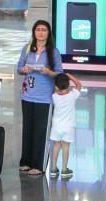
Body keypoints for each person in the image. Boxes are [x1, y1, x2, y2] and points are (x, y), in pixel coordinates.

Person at [16, 20, 63, 176]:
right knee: (28, 129)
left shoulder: (53, 52)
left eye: (44, 30)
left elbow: (59, 73)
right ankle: (26, 162)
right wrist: (24, 69)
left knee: (41, 131)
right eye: (38, 30)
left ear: (48, 33)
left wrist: (48, 72)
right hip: (27, 94)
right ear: (34, 32)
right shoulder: (27, 48)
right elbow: (19, 68)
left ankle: (39, 164)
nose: (41, 33)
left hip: (45, 97)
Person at [47, 72, 84, 178]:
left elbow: (55, 89)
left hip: (56, 126)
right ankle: (64, 169)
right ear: (68, 84)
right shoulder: (72, 95)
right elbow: (79, 85)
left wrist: (56, 82)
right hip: (69, 126)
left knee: (56, 145)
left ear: (56, 86)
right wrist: (70, 76)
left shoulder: (55, 97)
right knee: (66, 146)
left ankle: (53, 168)